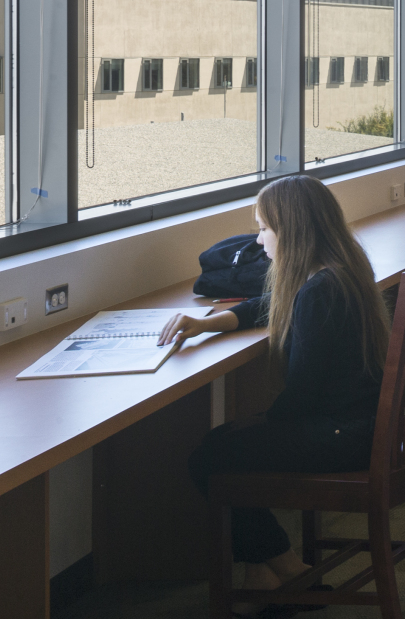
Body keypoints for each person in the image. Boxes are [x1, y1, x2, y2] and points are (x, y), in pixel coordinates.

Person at [166, 176, 388, 599]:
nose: (259, 240)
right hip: (363, 422)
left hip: (343, 436)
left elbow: (300, 399)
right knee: (231, 442)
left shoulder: (318, 293)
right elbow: (267, 305)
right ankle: (263, 573)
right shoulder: (340, 270)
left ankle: (288, 567)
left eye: (264, 228)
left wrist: (258, 428)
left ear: (292, 231)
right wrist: (209, 323)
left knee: (210, 456)